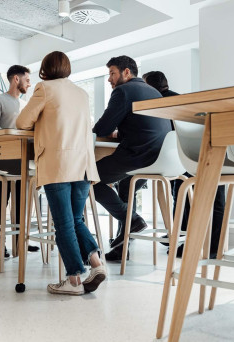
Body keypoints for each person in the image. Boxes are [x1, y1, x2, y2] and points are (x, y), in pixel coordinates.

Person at [16, 51, 106, 295]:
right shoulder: (81, 92)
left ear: (45, 69)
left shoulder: (45, 88)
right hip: (84, 165)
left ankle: (74, 279)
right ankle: (96, 265)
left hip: (59, 163)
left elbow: (22, 122)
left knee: (65, 223)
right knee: (76, 220)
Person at [92, 56, 172, 262]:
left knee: (87, 178)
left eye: (112, 73)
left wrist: (110, 131)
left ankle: (132, 219)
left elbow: (101, 129)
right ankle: (121, 247)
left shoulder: (123, 91)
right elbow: (144, 126)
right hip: (162, 158)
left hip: (138, 156)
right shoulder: (154, 92)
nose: (109, 79)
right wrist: (120, 133)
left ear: (126, 72)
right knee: (126, 185)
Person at [142, 71, 226, 259]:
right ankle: (213, 246)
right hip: (217, 151)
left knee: (181, 192)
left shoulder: (159, 104)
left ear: (150, 87)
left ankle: (181, 240)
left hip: (190, 157)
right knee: (215, 196)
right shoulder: (181, 98)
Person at [0, 65, 39, 258]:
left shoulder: (26, 104)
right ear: (15, 79)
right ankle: (0, 243)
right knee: (3, 198)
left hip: (23, 159)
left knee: (21, 200)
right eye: (27, 79)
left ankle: (20, 242)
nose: (29, 83)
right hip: (1, 159)